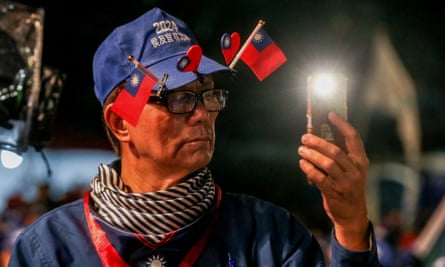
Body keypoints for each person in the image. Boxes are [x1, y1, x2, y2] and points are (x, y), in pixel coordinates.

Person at [8, 7, 381, 266]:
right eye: (179, 97)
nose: (203, 113)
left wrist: (350, 227)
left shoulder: (271, 234)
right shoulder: (50, 249)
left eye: (208, 94)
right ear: (121, 122)